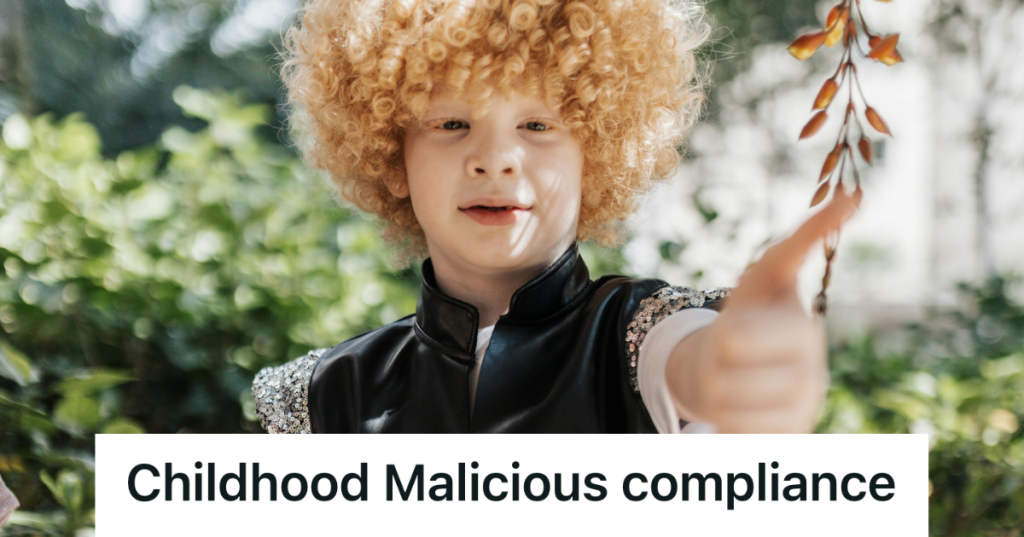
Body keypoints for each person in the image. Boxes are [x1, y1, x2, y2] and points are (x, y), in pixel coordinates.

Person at [252, 0, 858, 434]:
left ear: (595, 152)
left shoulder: (641, 337)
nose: (496, 159)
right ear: (391, 156)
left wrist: (738, 367)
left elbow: (694, 367)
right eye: (452, 123)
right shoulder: (324, 395)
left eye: (537, 125)